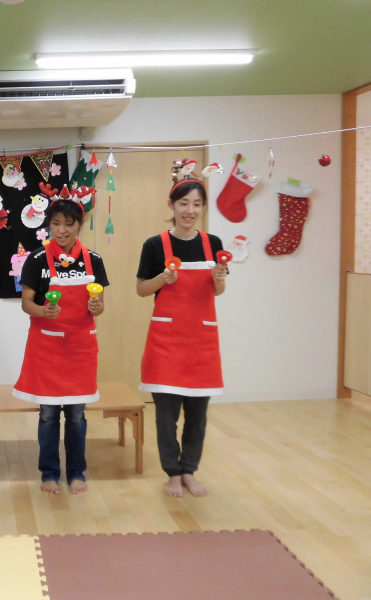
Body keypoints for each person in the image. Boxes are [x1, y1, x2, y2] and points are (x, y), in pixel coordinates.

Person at [136, 161, 228, 498]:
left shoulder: (212, 243)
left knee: (198, 415)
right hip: (167, 342)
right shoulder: (155, 245)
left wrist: (219, 279)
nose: (190, 210)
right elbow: (141, 289)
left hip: (202, 342)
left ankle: (189, 470)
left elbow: (218, 291)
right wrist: (163, 278)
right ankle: (172, 473)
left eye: (197, 204)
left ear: (203, 208)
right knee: (166, 416)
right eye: (184, 203)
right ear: (171, 206)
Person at [13, 193, 109, 495]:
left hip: (81, 348)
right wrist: (43, 311)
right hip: (47, 349)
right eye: (56, 223)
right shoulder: (37, 259)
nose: (62, 230)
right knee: (48, 415)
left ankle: (77, 472)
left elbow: (100, 304)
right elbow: (26, 303)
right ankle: (49, 473)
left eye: (69, 224)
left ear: (80, 224)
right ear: (49, 224)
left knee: (77, 416)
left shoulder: (93, 260)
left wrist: (97, 307)